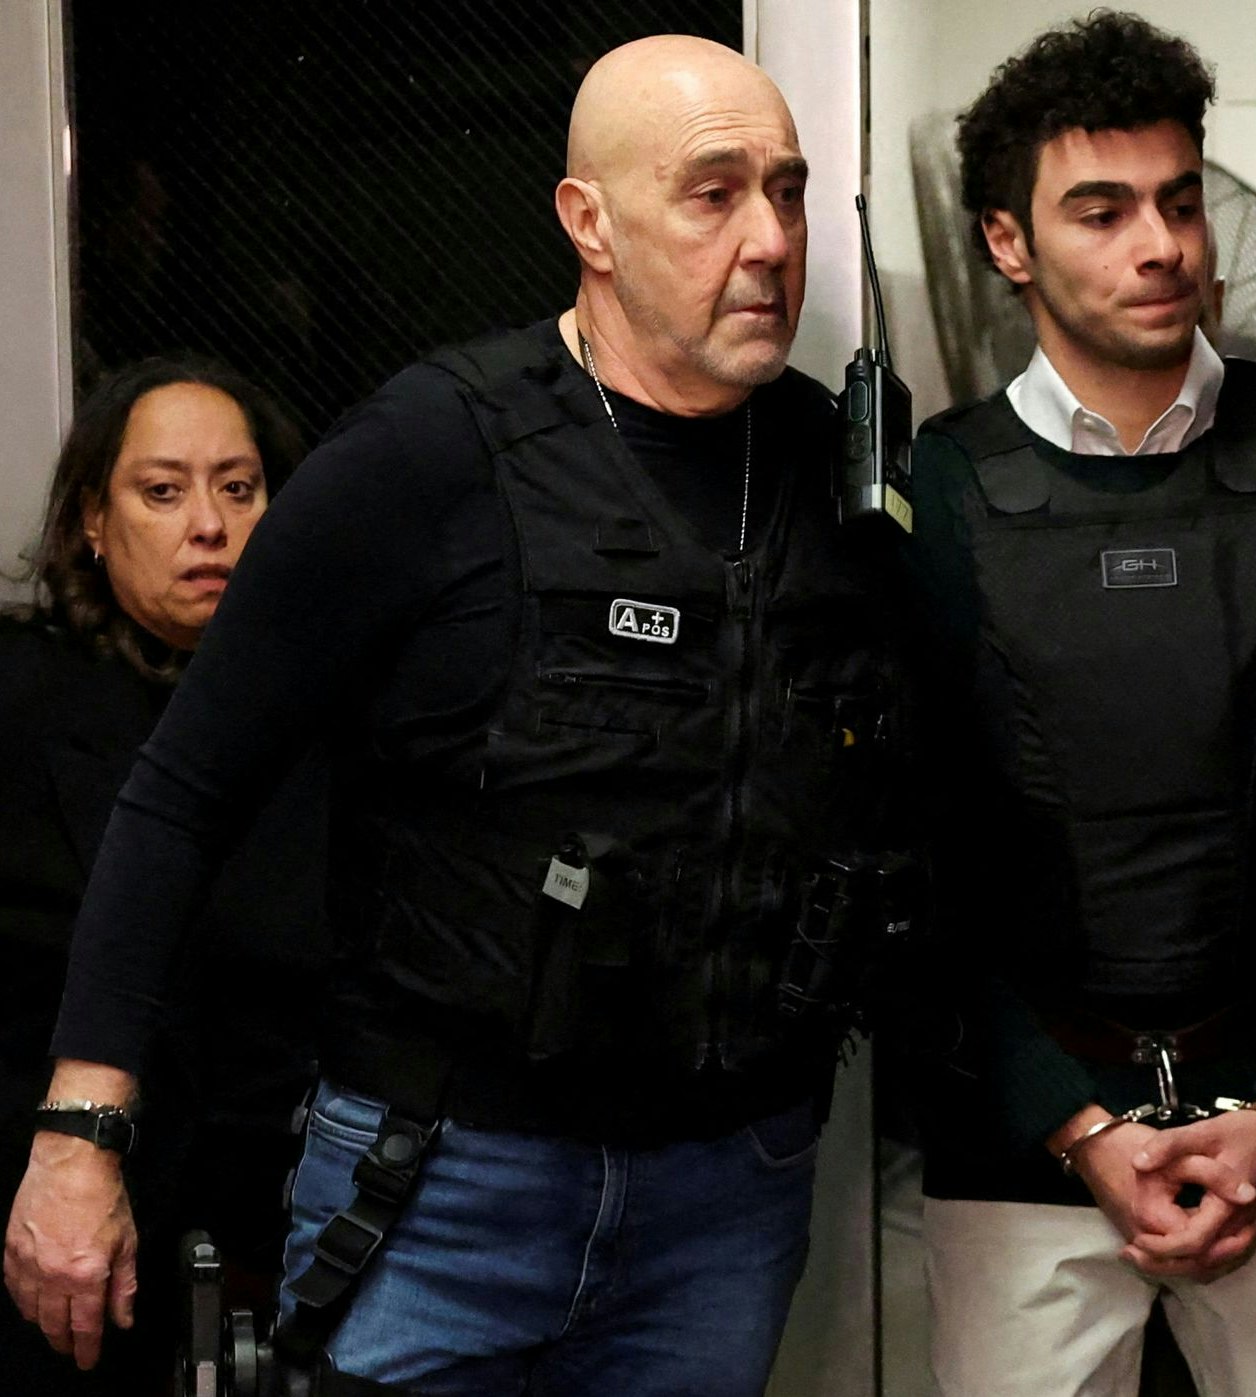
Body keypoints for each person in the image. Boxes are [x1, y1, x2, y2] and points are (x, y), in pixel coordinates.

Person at [5, 36, 913, 1396]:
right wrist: (82, 1132)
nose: (772, 239)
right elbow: (184, 791)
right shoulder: (430, 452)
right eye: (713, 193)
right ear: (589, 223)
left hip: (728, 1194)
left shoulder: (835, 472)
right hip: (448, 1185)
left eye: (786, 191)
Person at [900, 15, 1256, 1396]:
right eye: (1101, 211)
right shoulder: (929, 503)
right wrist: (1073, 1122)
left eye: (1178, 200)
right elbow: (909, 858)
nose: (1160, 245)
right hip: (1024, 1149)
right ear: (1006, 243)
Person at [0, 359, 322, 1392]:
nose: (209, 526)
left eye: (239, 487)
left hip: (296, 1248)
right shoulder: (22, 698)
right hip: (60, 1244)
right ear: (94, 522)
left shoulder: (338, 710)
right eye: (164, 490)